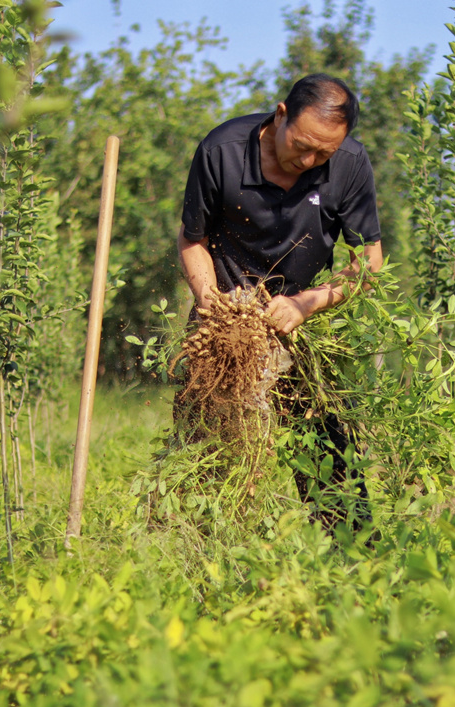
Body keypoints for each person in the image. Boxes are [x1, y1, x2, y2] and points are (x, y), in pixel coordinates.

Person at [177, 73, 383, 531]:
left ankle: (357, 568)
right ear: (281, 114)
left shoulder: (348, 164)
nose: (309, 160)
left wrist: (307, 304)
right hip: (225, 331)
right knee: (210, 461)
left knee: (325, 457)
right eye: (303, 145)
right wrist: (212, 303)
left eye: (323, 153)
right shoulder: (221, 152)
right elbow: (194, 238)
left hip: (303, 328)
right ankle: (206, 569)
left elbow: (370, 261)